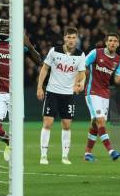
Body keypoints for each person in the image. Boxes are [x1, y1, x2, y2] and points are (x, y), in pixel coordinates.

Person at [0, 20, 41, 162]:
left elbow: (39, 62)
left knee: (17, 127)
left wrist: (28, 45)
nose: (4, 29)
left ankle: (15, 153)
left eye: (7, 27)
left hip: (15, 94)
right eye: (1, 26)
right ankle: (9, 143)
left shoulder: (18, 42)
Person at [36, 27, 86, 165]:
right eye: (68, 37)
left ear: (76, 39)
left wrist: (80, 84)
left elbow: (82, 73)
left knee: (67, 124)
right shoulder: (54, 51)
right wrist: (40, 87)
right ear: (64, 38)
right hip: (52, 92)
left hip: (68, 94)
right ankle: (43, 155)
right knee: (48, 123)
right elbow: (45, 68)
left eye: (73, 37)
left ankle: (65, 156)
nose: (71, 40)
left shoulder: (80, 55)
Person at [83, 33, 120, 162]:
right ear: (106, 42)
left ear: (118, 44)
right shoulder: (96, 53)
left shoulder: (119, 60)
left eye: (115, 41)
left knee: (96, 124)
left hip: (105, 94)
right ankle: (112, 151)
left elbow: (116, 79)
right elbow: (82, 64)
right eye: (110, 41)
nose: (112, 43)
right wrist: (80, 79)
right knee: (100, 121)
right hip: (92, 91)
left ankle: (87, 153)